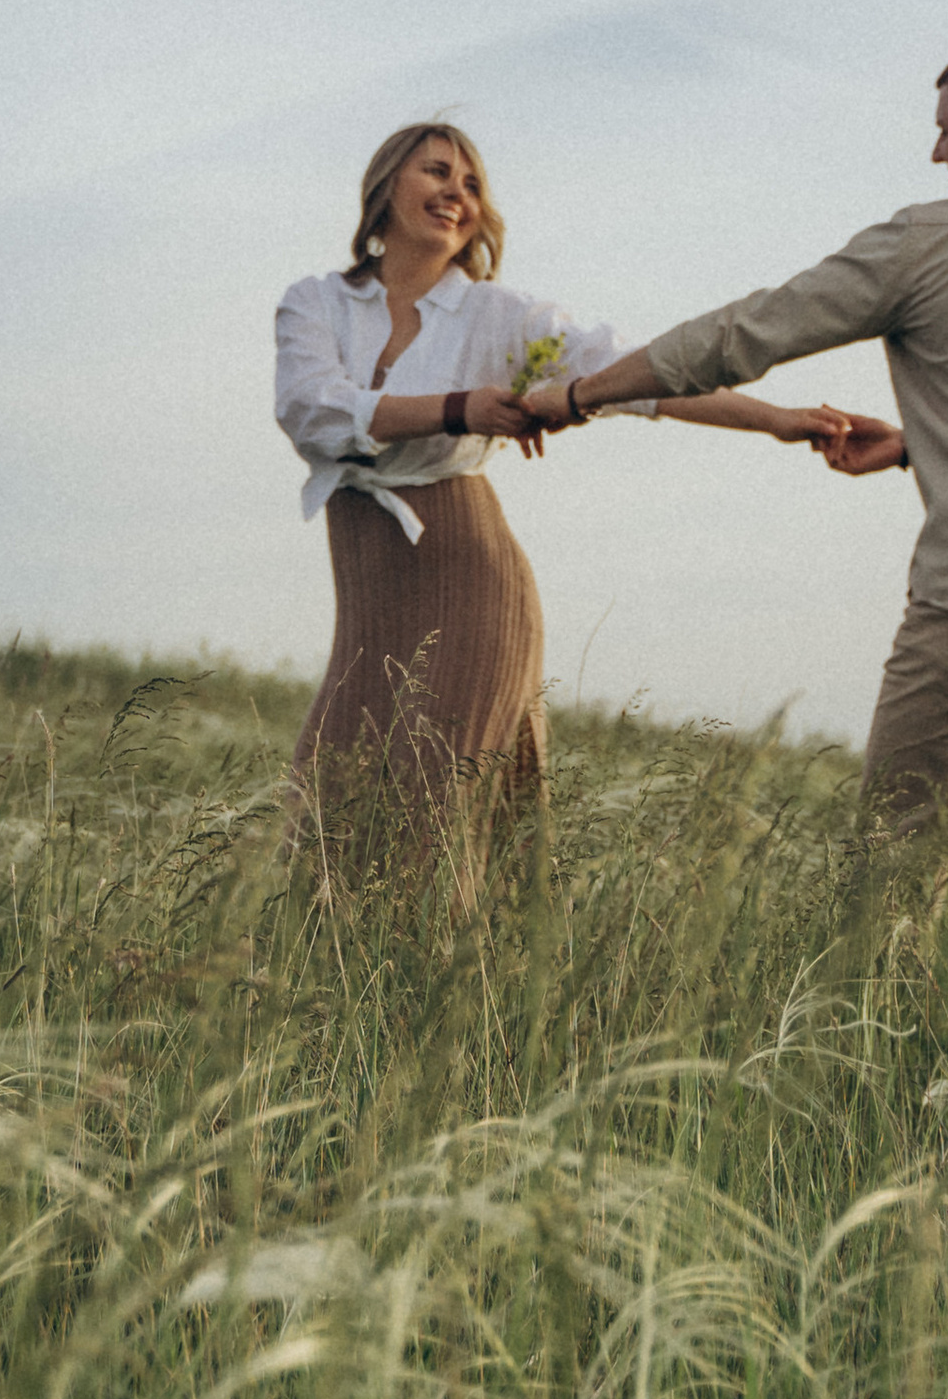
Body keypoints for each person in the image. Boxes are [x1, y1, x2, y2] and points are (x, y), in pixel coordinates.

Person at [524, 41, 948, 1025]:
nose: (938, 157)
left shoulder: (933, 239)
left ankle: (865, 1081)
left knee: (892, 878)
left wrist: (578, 393)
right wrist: (921, 444)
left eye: (945, 131)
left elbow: (740, 335)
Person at [276, 119, 849, 884]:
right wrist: (461, 407)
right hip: (370, 579)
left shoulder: (503, 317)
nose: (456, 194)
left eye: (472, 184)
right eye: (437, 173)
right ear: (384, 189)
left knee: (431, 811)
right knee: (329, 799)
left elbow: (635, 377)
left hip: (469, 575)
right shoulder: (317, 303)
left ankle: (441, 985)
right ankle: (363, 982)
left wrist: (779, 420)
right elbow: (310, 408)